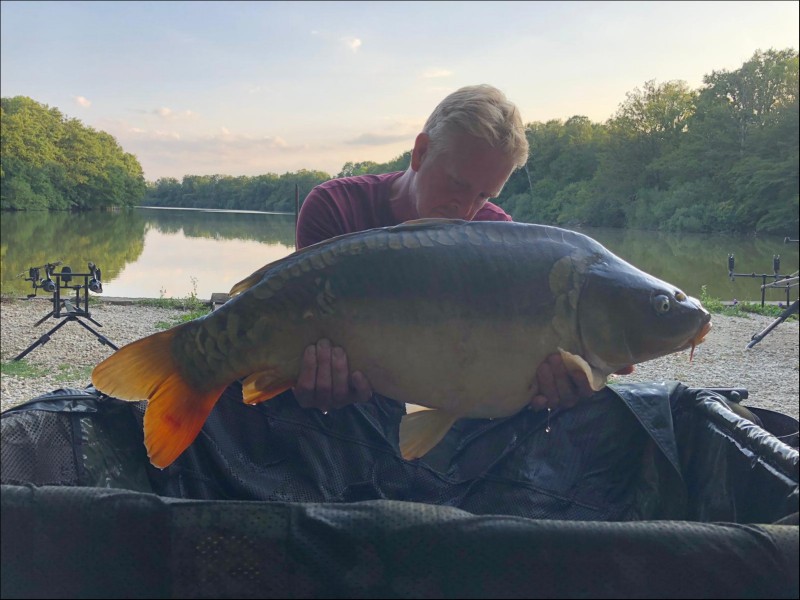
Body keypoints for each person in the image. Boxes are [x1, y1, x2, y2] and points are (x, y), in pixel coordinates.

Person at [292, 84, 632, 417]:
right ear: (420, 152)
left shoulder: (500, 240)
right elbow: (302, 328)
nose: (466, 210)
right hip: (350, 410)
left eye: (484, 196)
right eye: (457, 184)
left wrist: (551, 382)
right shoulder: (334, 207)